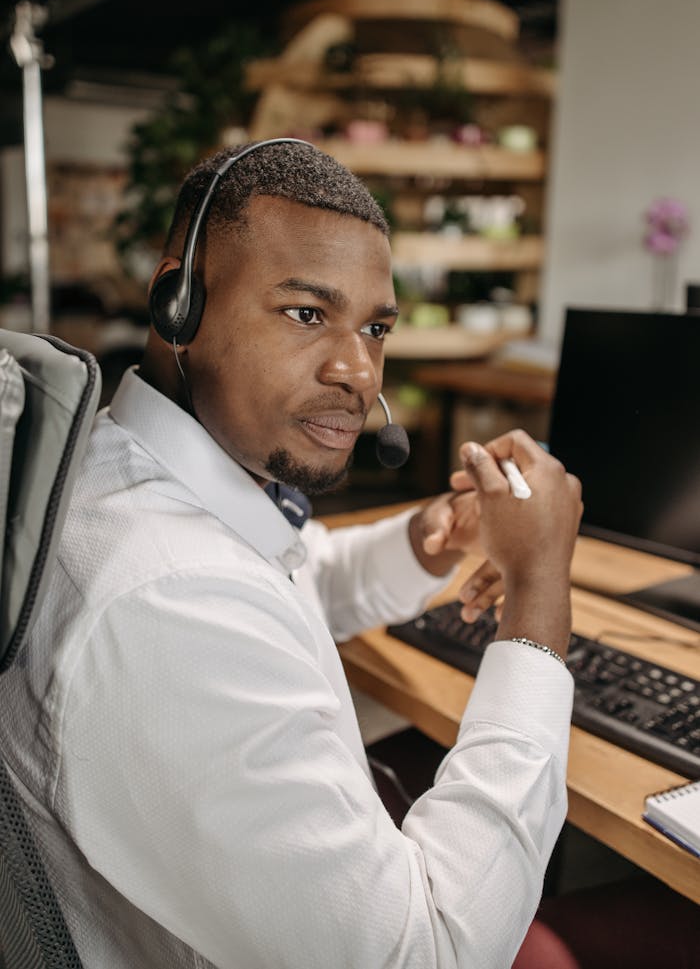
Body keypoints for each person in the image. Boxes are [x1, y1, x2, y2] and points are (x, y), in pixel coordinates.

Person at [0, 140, 582, 969]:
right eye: (307, 313)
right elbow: (430, 954)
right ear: (179, 302)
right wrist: (537, 593)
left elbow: (289, 574)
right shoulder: (173, 598)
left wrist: (424, 542)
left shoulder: (123, 472)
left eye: (375, 326)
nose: (358, 370)